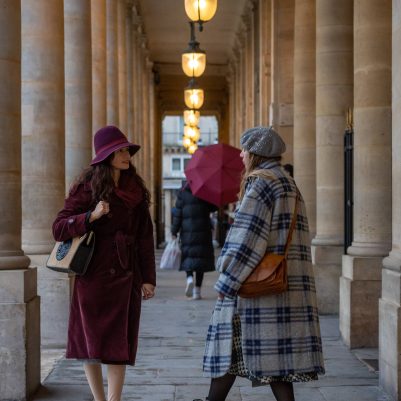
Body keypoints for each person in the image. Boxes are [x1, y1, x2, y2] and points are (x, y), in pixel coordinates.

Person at [199, 126, 324, 401]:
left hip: (256, 290)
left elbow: (247, 239)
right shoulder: (287, 182)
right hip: (282, 287)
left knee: (230, 348)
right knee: (268, 361)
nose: (241, 154)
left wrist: (227, 280)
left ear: (256, 153)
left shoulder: (262, 184)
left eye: (245, 149)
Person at [52, 126, 156, 401]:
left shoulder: (135, 189)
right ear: (106, 155)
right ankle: (100, 398)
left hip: (126, 274)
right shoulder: (86, 188)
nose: (126, 155)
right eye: (120, 150)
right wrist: (90, 216)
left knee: (118, 341)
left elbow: (145, 237)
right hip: (94, 276)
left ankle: (114, 399)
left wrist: (148, 278)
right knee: (91, 342)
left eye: (126, 150)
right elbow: (59, 228)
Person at [171, 181, 217, 300]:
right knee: (200, 261)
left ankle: (189, 278)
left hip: (187, 231)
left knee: (188, 257)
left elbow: (177, 214)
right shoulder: (205, 191)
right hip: (203, 231)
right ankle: (197, 291)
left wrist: (174, 231)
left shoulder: (182, 193)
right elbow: (214, 207)